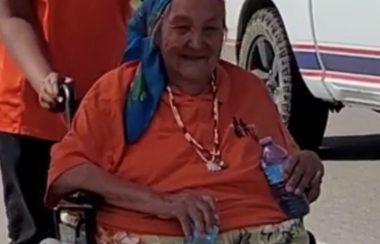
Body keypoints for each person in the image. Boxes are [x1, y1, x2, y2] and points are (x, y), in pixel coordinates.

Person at [45, 0, 324, 243]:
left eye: (210, 29)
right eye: (182, 28)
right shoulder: (118, 92)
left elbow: (289, 166)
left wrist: (307, 166)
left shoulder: (250, 89)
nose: (197, 42)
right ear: (156, 31)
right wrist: (163, 203)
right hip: (155, 232)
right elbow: (67, 173)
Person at [0, 0, 132, 243]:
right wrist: (45, 83)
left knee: (104, 232)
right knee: (37, 236)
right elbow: (12, 16)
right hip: (33, 117)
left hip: (106, 110)